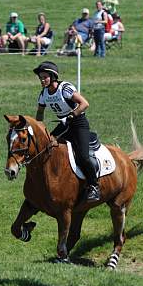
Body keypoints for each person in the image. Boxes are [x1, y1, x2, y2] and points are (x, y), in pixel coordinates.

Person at [33, 61, 101, 202]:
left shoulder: (65, 88)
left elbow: (84, 103)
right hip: (63, 126)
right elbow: (39, 114)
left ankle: (94, 186)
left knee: (83, 156)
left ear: (53, 77)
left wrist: (71, 115)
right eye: (40, 77)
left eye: (45, 77)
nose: (42, 80)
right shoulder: (43, 94)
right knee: (46, 148)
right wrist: (39, 128)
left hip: (78, 124)